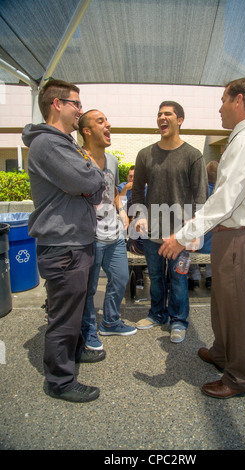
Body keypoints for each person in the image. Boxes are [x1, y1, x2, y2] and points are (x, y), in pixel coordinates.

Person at [159, 78, 245, 398]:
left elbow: (224, 201)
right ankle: (223, 353)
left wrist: (182, 237)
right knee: (225, 304)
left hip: (239, 236)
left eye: (223, 100)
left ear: (238, 100)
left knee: (237, 310)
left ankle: (238, 378)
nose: (219, 107)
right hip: (233, 236)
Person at [22, 80, 106, 403]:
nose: (80, 110)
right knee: (64, 316)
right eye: (76, 104)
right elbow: (87, 178)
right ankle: (59, 380)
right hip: (64, 246)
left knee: (76, 306)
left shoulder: (65, 143)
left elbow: (94, 187)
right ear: (57, 105)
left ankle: (75, 350)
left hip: (76, 242)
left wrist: (89, 180)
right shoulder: (48, 144)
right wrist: (89, 178)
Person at [132, 101, 208, 343]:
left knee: (178, 278)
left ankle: (178, 320)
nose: (162, 118)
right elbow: (136, 192)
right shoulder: (145, 154)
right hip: (153, 231)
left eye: (168, 114)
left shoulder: (193, 156)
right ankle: (156, 314)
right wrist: (140, 215)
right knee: (155, 276)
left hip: (181, 234)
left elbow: (200, 197)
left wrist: (195, 230)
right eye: (159, 114)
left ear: (180, 120)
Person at [79, 109, 137, 349]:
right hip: (89, 236)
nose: (108, 124)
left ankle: (111, 322)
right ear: (87, 130)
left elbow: (113, 188)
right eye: (100, 121)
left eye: (107, 120)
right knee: (89, 288)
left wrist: (121, 210)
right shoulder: (76, 158)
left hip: (114, 234)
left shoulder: (112, 160)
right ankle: (89, 329)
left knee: (120, 278)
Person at [188, 160, 219, 290]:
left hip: (196, 246)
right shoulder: (220, 194)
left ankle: (194, 277)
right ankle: (210, 278)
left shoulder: (197, 193)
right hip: (214, 247)